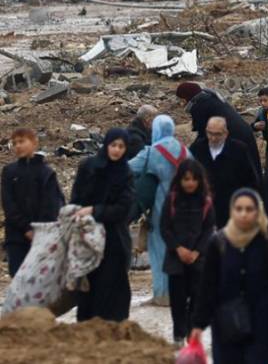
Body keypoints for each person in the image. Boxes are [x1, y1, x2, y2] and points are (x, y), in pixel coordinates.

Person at [191, 188, 268, 363]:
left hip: (261, 325)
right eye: (239, 209)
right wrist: (198, 324)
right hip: (226, 325)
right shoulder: (219, 243)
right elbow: (208, 286)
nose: (243, 214)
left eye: (249, 209)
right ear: (231, 210)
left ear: (257, 212)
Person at [70, 128, 135, 322]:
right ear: (106, 145)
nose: (116, 150)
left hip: (113, 239)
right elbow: (76, 197)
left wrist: (94, 211)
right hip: (87, 237)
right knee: (89, 283)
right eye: (113, 145)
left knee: (112, 285)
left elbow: (123, 208)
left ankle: (112, 329)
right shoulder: (88, 167)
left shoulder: (126, 173)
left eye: (121, 146)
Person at [129, 114, 189, 304]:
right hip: (185, 208)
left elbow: (128, 169)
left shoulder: (151, 152)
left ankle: (163, 294)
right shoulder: (185, 152)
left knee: (159, 250)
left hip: (161, 208)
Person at [160, 159, 215, 345]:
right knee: (177, 300)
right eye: (186, 179)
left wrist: (197, 252)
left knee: (197, 299)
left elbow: (209, 229)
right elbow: (165, 227)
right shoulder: (173, 199)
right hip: (176, 259)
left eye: (193, 179)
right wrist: (178, 248)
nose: (190, 183)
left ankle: (193, 335)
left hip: (198, 260)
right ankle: (178, 334)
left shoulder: (205, 202)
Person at [1, 127, 63, 276]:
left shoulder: (46, 173)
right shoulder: (9, 172)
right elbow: (8, 204)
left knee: (40, 283)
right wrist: (26, 229)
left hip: (43, 238)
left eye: (22, 141)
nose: (18, 146)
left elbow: (52, 205)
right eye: (14, 143)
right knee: (18, 279)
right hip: (16, 237)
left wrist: (40, 230)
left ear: (35, 143)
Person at [178, 82, 262, 177]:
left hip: (235, 136)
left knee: (241, 171)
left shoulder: (199, 106)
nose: (181, 103)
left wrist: (189, 154)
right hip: (243, 132)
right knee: (251, 167)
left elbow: (203, 135)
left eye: (182, 99)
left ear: (187, 96)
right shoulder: (209, 98)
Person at [190, 117, 259, 228]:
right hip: (204, 211)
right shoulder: (197, 149)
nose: (212, 138)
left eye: (217, 134)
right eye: (210, 133)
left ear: (226, 133)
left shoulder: (239, 150)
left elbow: (250, 180)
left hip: (231, 210)